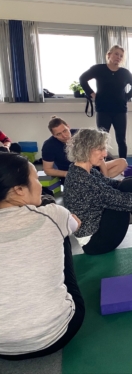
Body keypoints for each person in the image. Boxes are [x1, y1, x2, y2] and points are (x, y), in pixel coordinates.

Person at [0, 152, 85, 360]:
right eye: (36, 179)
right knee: (61, 232)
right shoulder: (53, 214)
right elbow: (75, 225)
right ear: (19, 190)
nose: (40, 184)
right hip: (57, 334)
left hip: (4, 350)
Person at [79, 45, 132, 158]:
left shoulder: (124, 73)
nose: (118, 57)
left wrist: (126, 97)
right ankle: (102, 164)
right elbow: (82, 79)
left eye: (121, 56)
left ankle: (122, 163)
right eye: (116, 54)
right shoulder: (98, 69)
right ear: (109, 55)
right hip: (103, 109)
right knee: (101, 139)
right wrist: (91, 93)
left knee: (121, 139)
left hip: (120, 110)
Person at [42, 116, 127, 182]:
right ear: (53, 135)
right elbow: (48, 170)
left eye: (65, 131)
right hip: (74, 175)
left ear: (68, 126)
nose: (64, 135)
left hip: (93, 169)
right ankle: (98, 182)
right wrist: (67, 174)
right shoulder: (48, 146)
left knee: (122, 162)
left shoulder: (80, 135)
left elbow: (99, 156)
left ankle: (100, 181)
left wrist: (106, 178)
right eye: (58, 134)